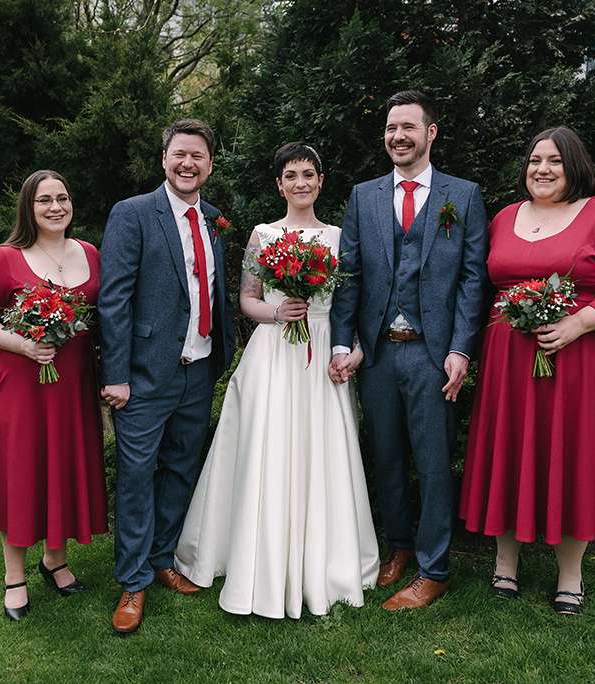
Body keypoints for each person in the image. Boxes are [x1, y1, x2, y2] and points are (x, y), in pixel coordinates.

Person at [174, 142, 379, 619]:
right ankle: (255, 554)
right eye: (291, 176)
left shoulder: (339, 237)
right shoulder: (263, 235)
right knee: (266, 446)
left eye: (308, 174)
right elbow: (247, 299)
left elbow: (352, 305)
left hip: (321, 352)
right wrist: (277, 312)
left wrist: (353, 350)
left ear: (321, 181)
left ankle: (324, 559)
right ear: (279, 185)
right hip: (273, 351)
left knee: (320, 449)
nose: (300, 183)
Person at [458, 126, 595, 615]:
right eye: (534, 160)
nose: (542, 170)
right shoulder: (504, 218)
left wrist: (578, 323)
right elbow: (481, 285)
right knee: (510, 451)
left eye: (554, 161)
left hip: (581, 364)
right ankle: (505, 563)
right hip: (509, 365)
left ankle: (570, 574)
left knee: (574, 456)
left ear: (574, 167)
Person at [329, 90, 488, 611]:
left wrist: (461, 349)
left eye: (408, 127)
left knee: (434, 462)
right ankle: (398, 547)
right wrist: (344, 342)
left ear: (430, 133)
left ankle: (434, 569)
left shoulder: (462, 196)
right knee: (388, 456)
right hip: (376, 354)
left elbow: (472, 280)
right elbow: (349, 276)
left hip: (432, 355)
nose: (397, 136)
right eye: (391, 128)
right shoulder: (364, 196)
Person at [99, 118, 235, 634]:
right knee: (137, 477)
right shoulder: (133, 214)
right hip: (142, 376)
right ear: (164, 159)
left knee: (181, 468)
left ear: (209, 164)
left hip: (197, 370)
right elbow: (114, 298)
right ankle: (132, 582)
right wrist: (116, 374)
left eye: (197, 156)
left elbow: (213, 292)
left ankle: (161, 557)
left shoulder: (214, 220)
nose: (187, 164)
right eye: (179, 154)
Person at [0, 170, 108, 621]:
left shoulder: (89, 253)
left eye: (62, 198)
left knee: (62, 468)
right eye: (44, 200)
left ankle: (55, 560)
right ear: (28, 208)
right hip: (21, 387)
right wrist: (24, 344)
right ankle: (14, 577)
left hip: (72, 387)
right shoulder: (5, 258)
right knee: (21, 474)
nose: (55, 207)